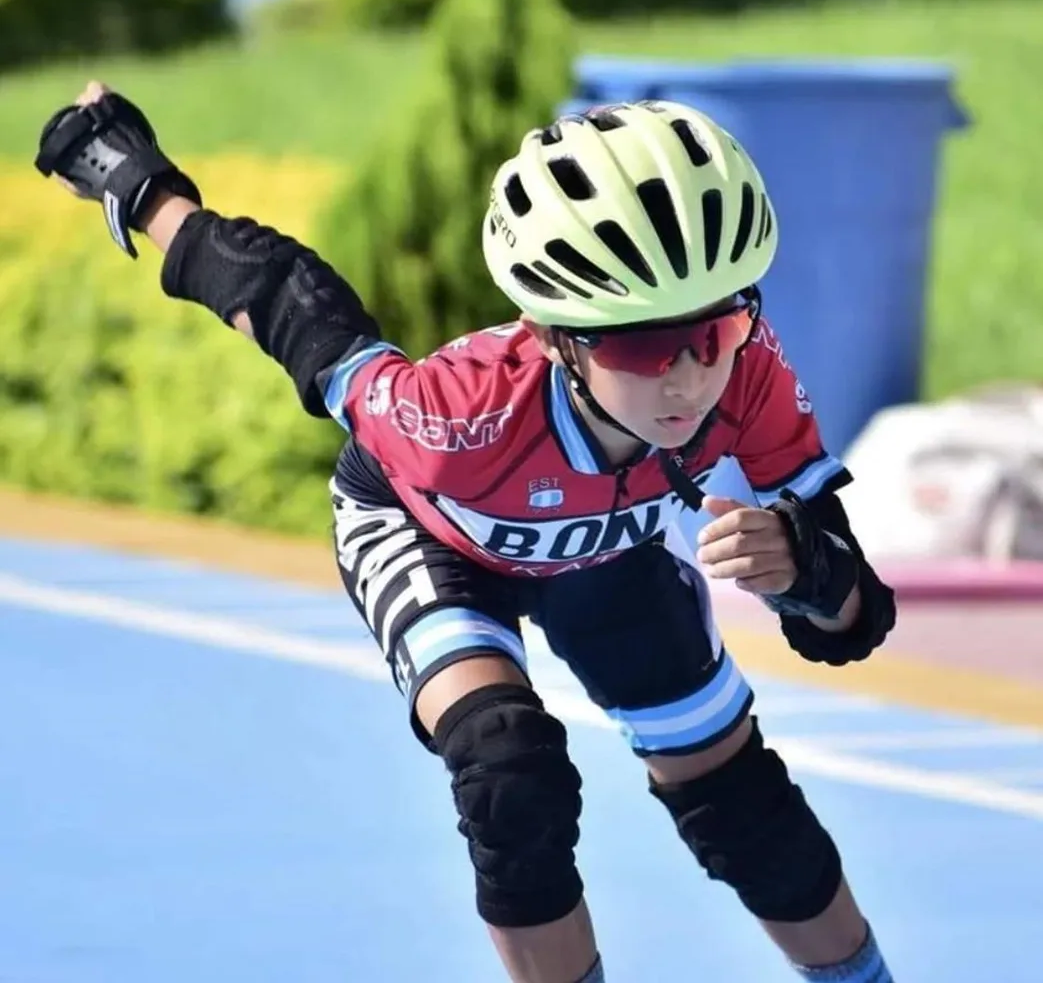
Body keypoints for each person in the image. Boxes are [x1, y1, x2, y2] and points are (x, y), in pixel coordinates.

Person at [35, 81, 898, 983]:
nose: (686, 379)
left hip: (602, 556)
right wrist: (138, 183)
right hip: (431, 534)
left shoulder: (749, 376)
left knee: (738, 798)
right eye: (641, 349)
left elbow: (855, 620)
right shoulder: (456, 418)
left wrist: (805, 569)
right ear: (561, 338)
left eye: (714, 332)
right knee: (506, 771)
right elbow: (286, 299)